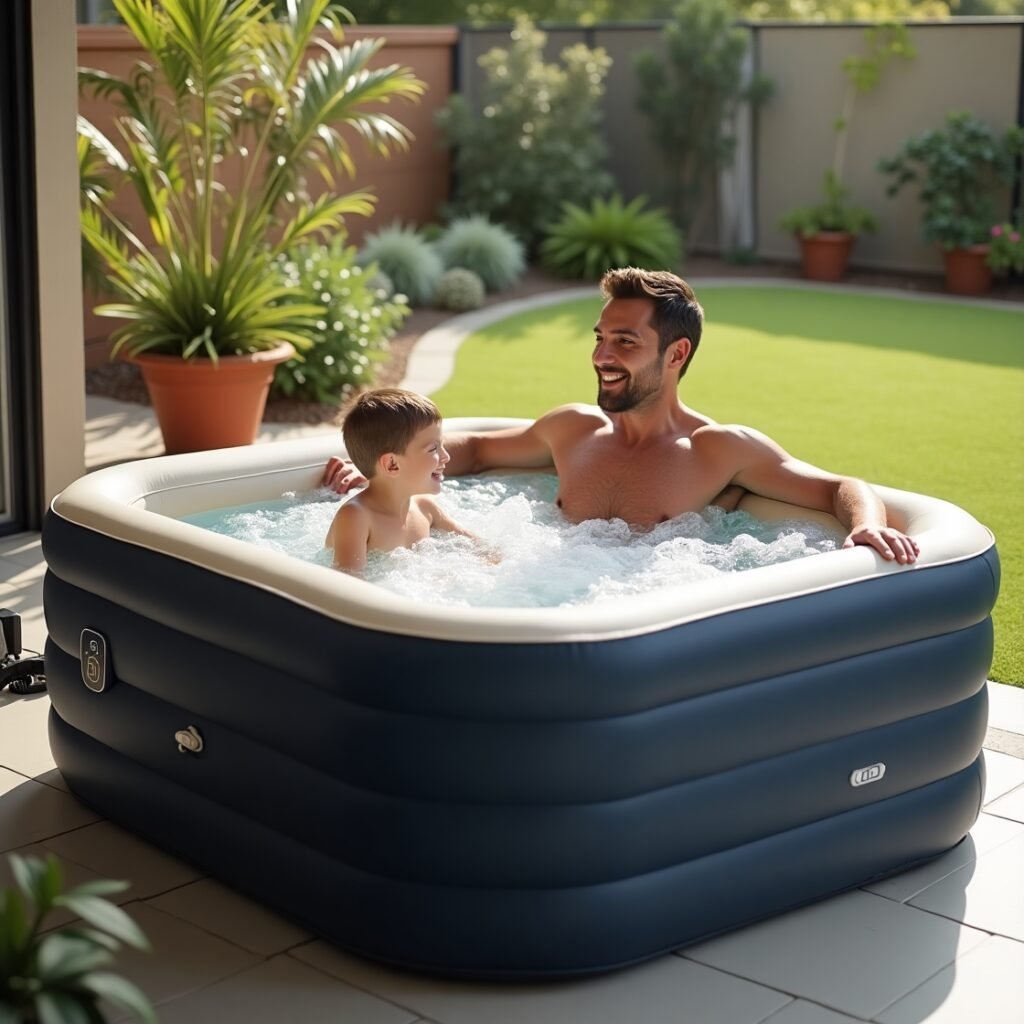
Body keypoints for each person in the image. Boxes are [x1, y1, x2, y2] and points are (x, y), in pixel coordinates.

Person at [324, 268, 919, 564]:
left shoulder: (718, 449)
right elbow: (474, 450)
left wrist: (865, 523)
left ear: (676, 353)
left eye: (625, 343)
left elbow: (840, 486)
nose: (601, 357)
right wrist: (382, 472)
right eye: (600, 338)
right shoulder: (572, 428)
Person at [324, 388, 477, 572]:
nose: (446, 457)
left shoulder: (425, 507)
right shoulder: (356, 517)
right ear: (392, 465)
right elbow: (348, 587)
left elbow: (480, 550)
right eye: (433, 449)